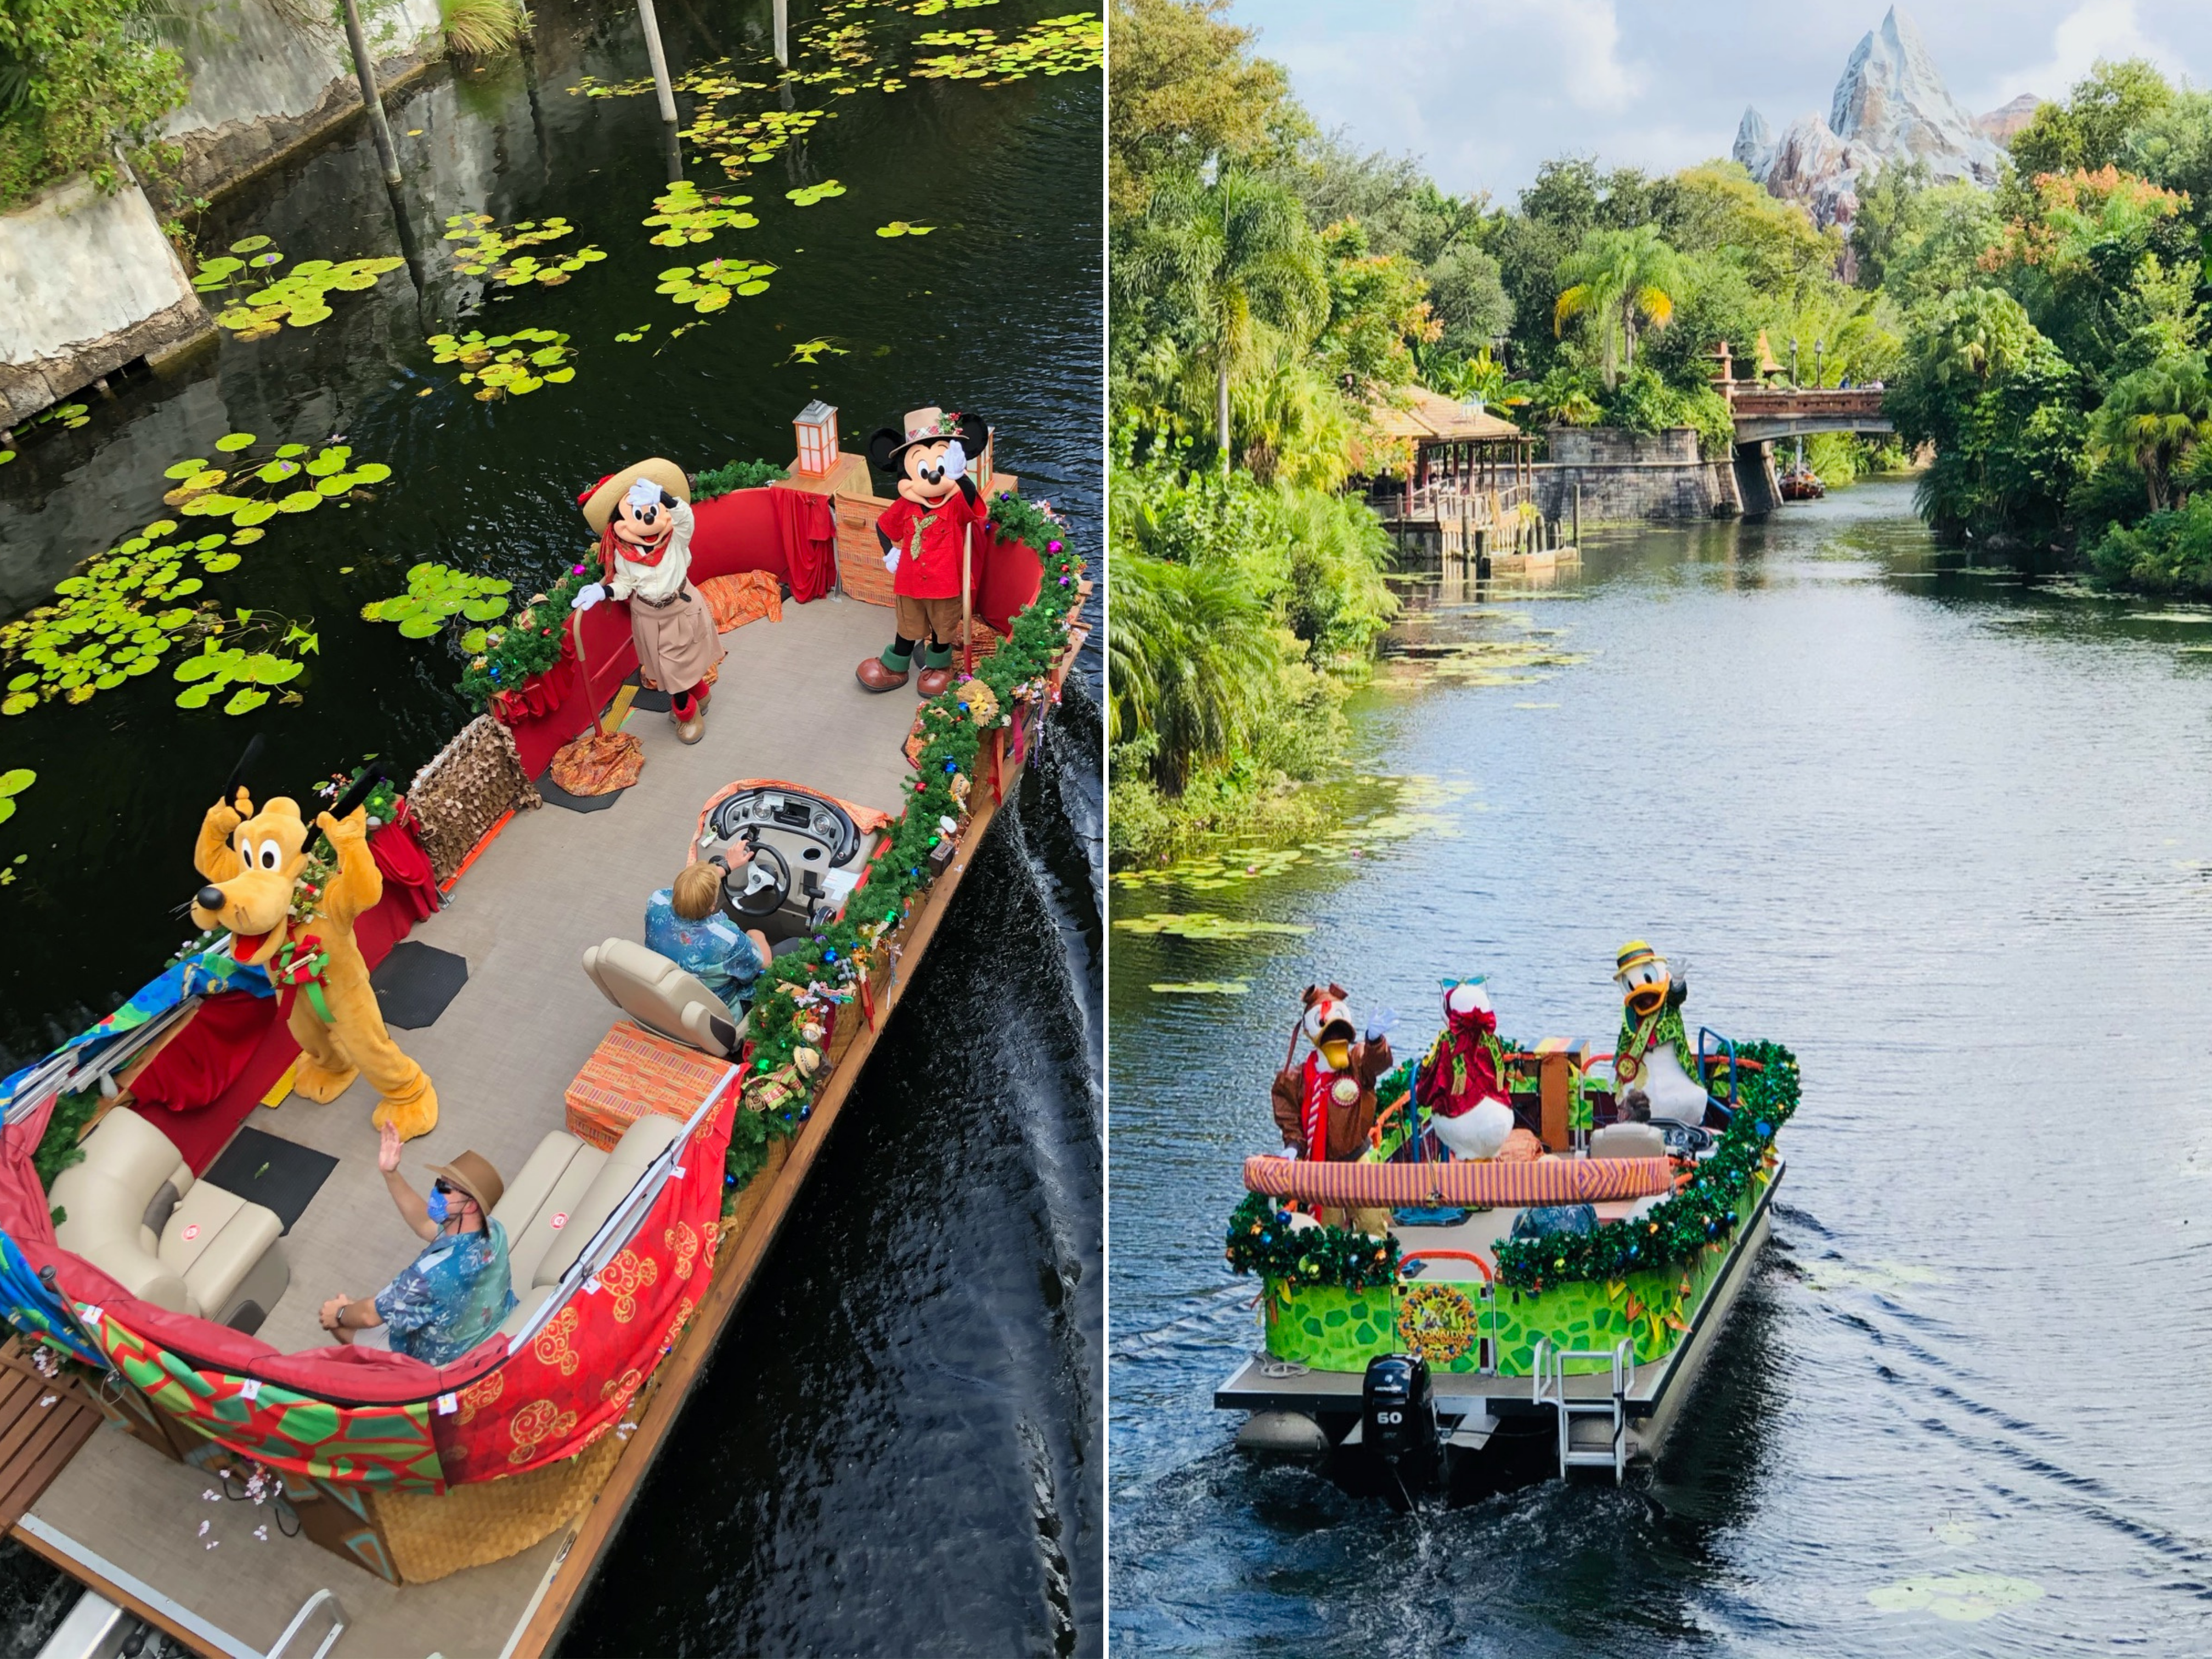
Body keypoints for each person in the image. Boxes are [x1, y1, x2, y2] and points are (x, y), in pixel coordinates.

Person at [320, 1124, 515, 1363]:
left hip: (445, 1357)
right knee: (359, 1308)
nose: (436, 1191)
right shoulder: (494, 1230)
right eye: (439, 1182)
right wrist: (390, 1173)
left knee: (338, 1317)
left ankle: (380, 1377)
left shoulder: (426, 1277)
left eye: (445, 1188)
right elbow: (425, 1223)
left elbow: (371, 1316)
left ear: (471, 1205)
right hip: (491, 1323)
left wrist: (339, 1313)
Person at [574, 459, 724, 745]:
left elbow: (685, 518)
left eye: (653, 510)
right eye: (636, 514)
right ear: (618, 524)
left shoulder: (677, 538)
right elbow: (624, 585)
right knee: (670, 670)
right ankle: (702, 695)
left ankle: (688, 714)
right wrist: (601, 592)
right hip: (648, 617)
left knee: (676, 671)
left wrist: (666, 498)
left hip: (681, 608)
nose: (647, 521)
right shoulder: (623, 552)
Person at [645, 854, 773, 1015]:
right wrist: (757, 935)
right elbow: (764, 963)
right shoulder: (728, 939)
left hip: (671, 999)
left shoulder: (655, 903)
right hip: (718, 1013)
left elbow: (682, 892)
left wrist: (726, 866)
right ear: (712, 906)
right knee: (789, 946)